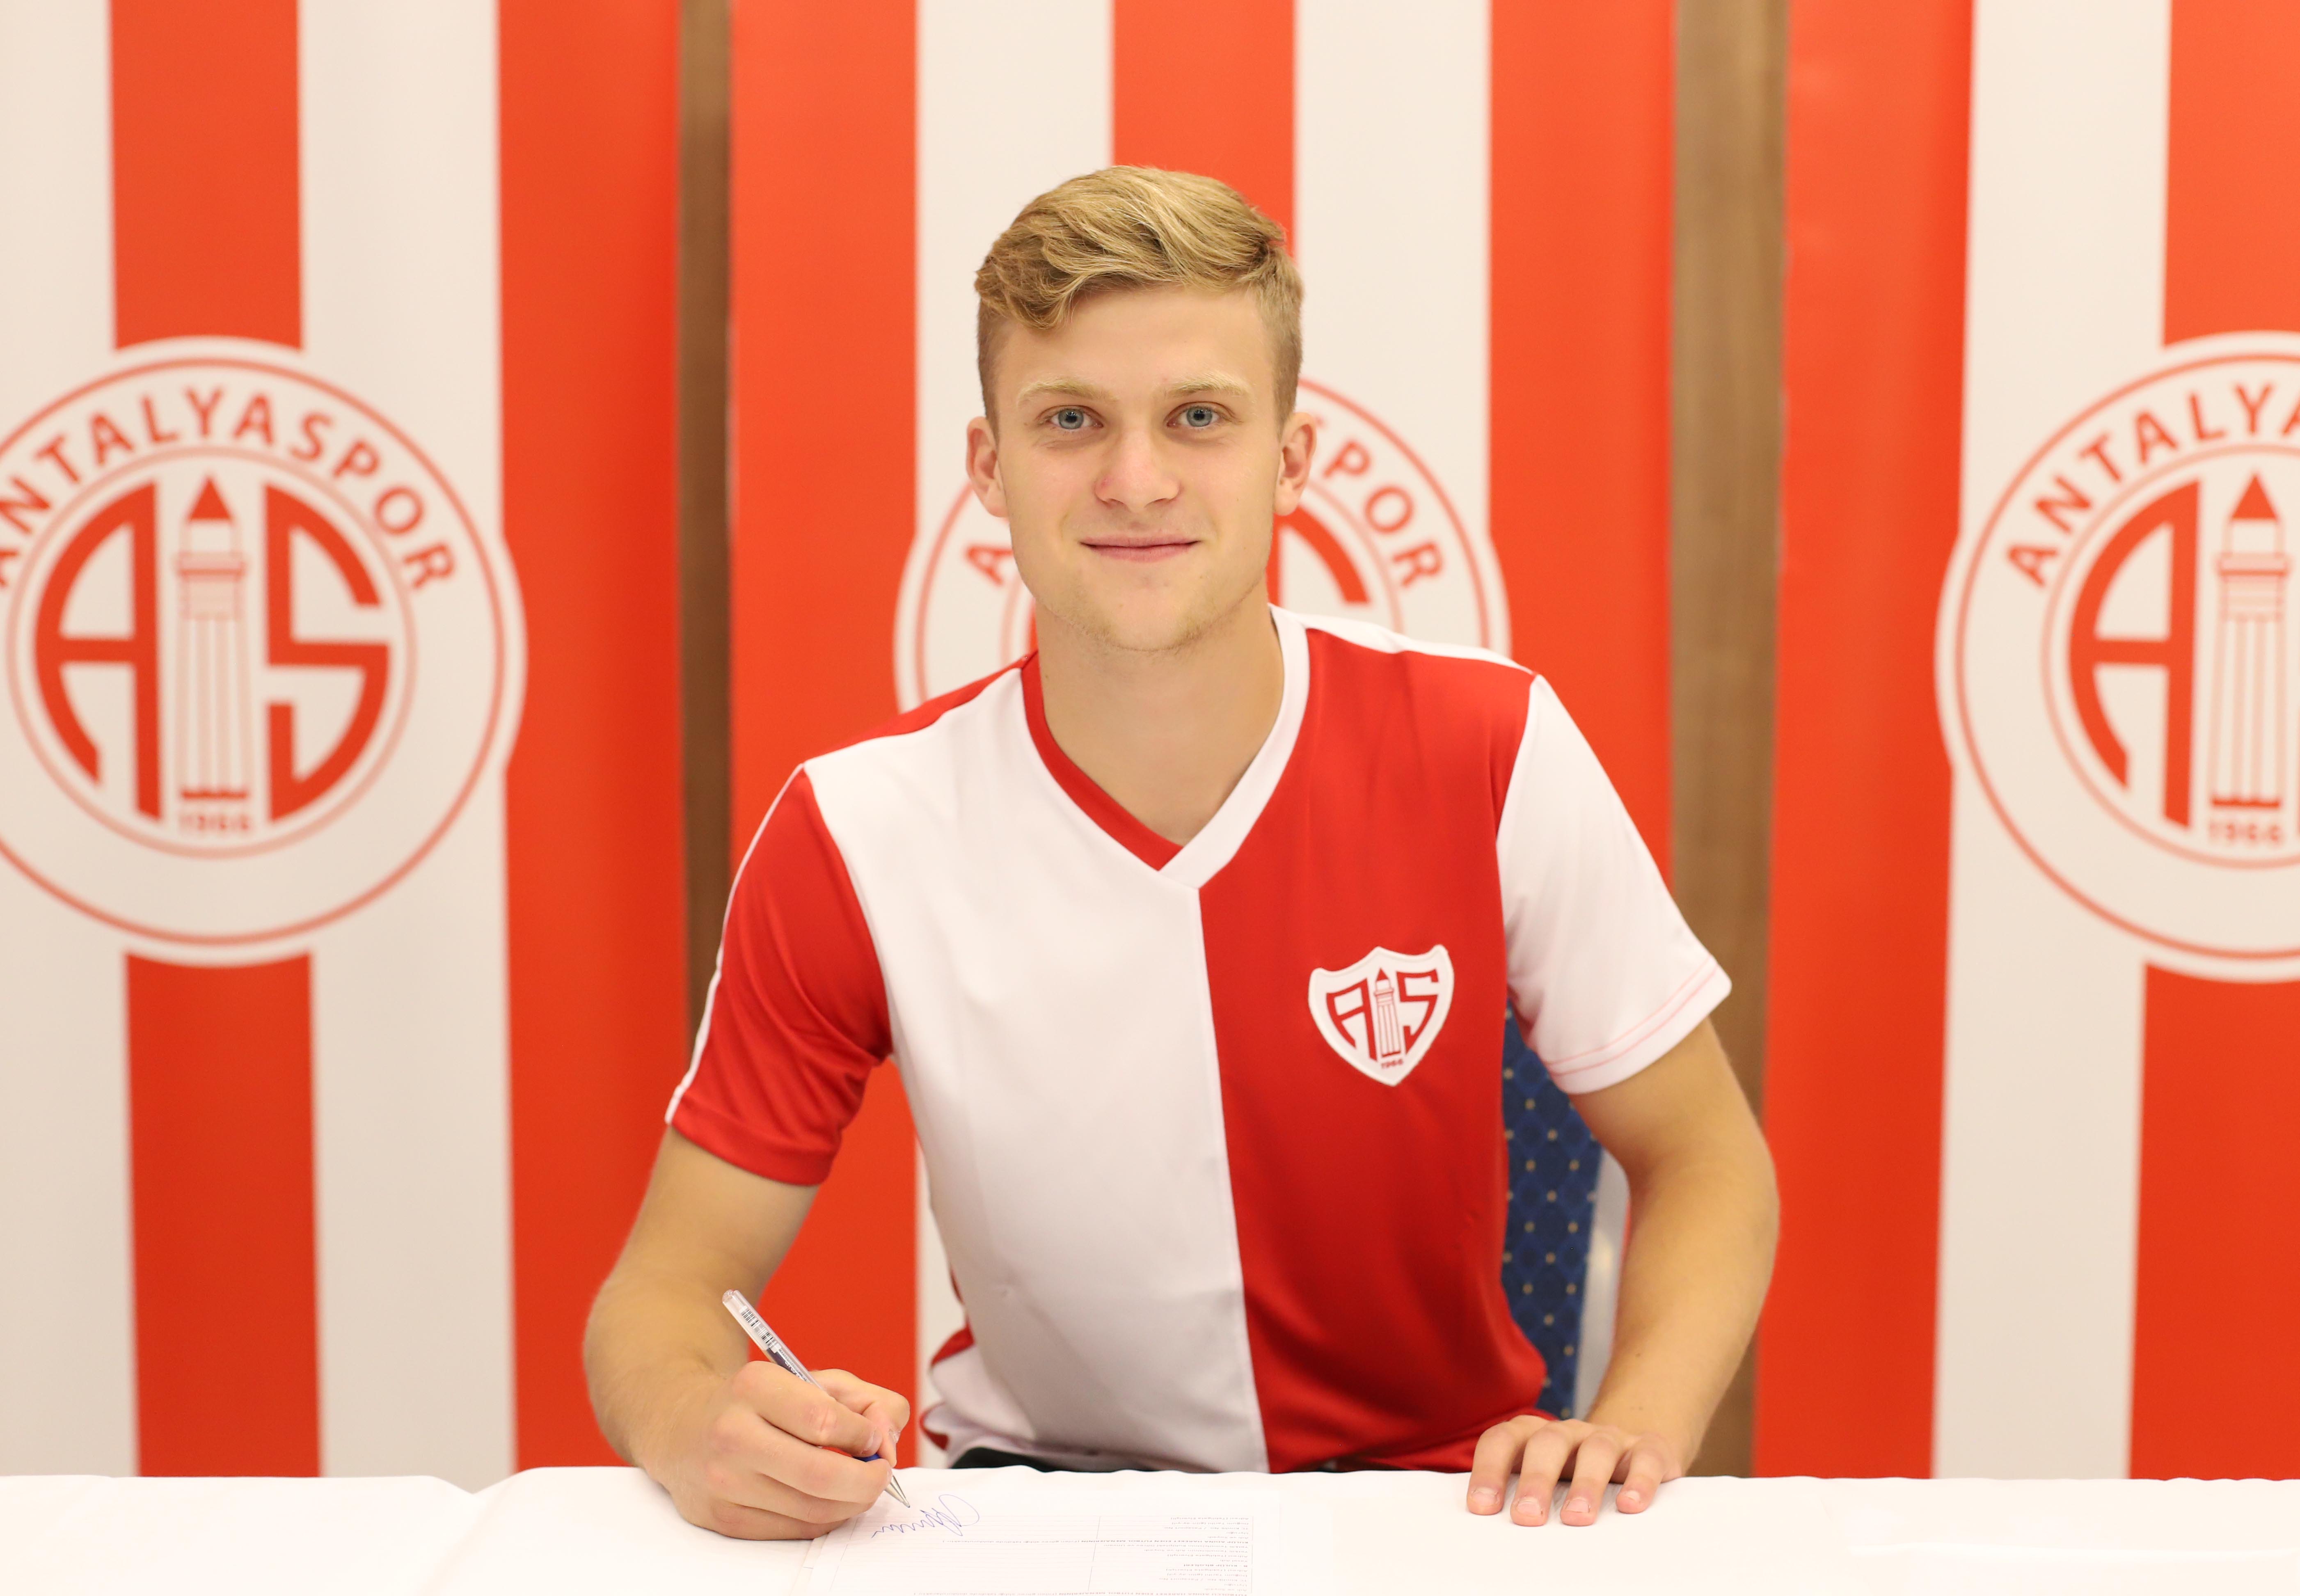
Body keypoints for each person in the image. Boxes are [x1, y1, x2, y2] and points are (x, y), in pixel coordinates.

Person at [584, 167, 1778, 1540]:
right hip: (1037, 1513)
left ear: (1292, 457)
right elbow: (663, 1292)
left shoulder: (1490, 745)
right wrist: (702, 1427)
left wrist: (1634, 1427)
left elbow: (1706, 1158)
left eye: (1198, 417)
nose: (1135, 479)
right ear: (988, 466)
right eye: (1070, 419)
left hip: (1438, 1507)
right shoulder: (855, 827)